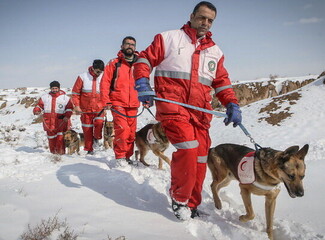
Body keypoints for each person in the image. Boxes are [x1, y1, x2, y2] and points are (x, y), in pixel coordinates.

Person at [133, 1, 242, 220]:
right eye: (202, 17)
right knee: (189, 149)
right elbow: (144, 59)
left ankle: (192, 203)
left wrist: (232, 103)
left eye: (210, 20)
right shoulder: (169, 38)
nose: (206, 23)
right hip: (173, 107)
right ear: (192, 16)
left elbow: (221, 81)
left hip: (200, 113)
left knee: (202, 157)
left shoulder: (215, 52)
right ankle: (179, 199)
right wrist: (143, 82)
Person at [100, 36, 140, 165]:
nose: (130, 46)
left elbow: (143, 82)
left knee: (132, 133)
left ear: (135, 47)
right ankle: (120, 157)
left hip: (134, 103)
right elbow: (105, 82)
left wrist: (146, 98)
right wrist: (106, 100)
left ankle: (128, 157)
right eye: (127, 44)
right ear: (122, 46)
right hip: (118, 102)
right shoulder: (114, 63)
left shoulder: (139, 63)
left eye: (132, 44)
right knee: (123, 130)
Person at [71, 59, 105, 154]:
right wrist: (77, 106)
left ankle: (97, 138)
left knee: (99, 123)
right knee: (87, 130)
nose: (99, 73)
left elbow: (108, 91)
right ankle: (89, 149)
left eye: (101, 71)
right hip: (85, 110)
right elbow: (75, 93)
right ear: (93, 68)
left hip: (99, 108)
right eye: (98, 71)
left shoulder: (104, 77)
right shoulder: (82, 77)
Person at [33, 81, 73, 155]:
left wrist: (67, 116)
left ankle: (61, 154)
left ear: (59, 88)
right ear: (50, 88)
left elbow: (69, 108)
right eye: (53, 88)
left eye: (56, 88)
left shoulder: (65, 98)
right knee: (51, 139)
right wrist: (36, 110)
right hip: (48, 122)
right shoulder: (45, 97)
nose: (54, 90)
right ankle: (53, 154)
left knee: (60, 138)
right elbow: (39, 105)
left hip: (61, 121)